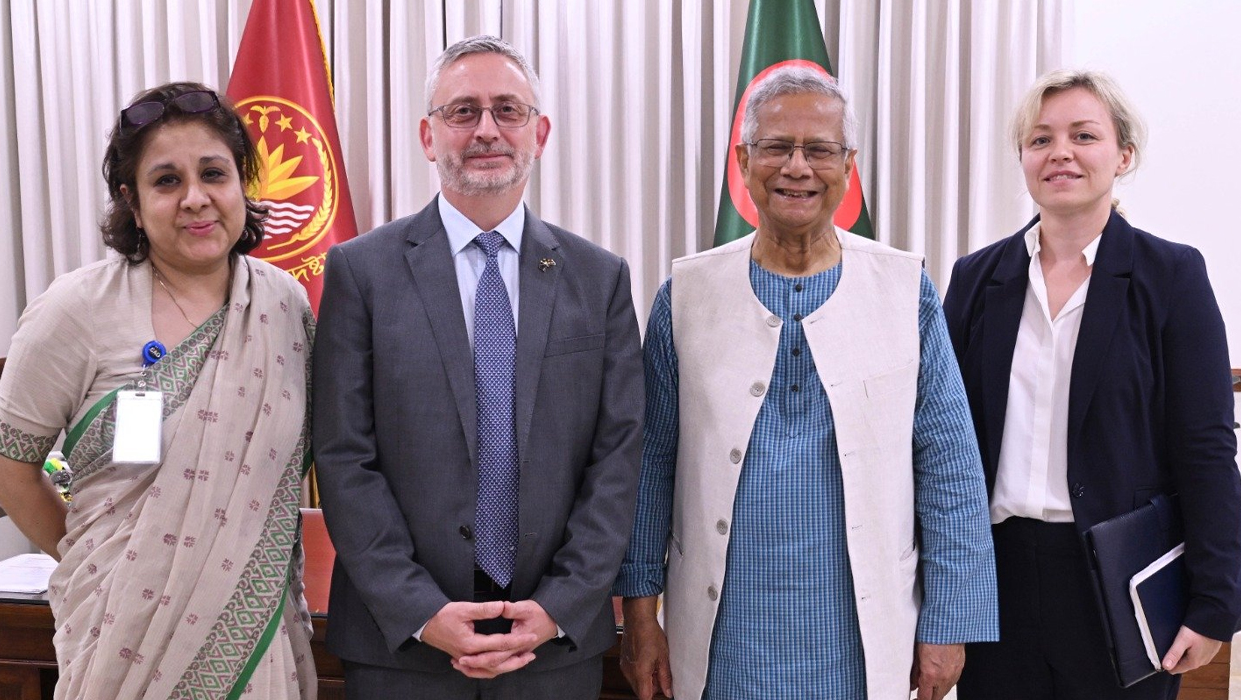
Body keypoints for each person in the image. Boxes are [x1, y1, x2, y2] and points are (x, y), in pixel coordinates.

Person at [613, 65, 998, 700]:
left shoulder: (906, 292)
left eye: (819, 149)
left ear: (848, 166)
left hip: (863, 637)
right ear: (744, 162)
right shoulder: (685, 295)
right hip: (724, 637)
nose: (797, 167)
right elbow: (650, 464)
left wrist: (950, 623)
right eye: (776, 147)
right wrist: (639, 612)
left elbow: (949, 468)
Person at [312, 35, 644, 699]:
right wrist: (419, 610)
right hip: (401, 649)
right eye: (463, 111)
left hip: (550, 651)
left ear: (539, 133)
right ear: (427, 135)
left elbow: (619, 455)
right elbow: (343, 455)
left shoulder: (598, 277)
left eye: (507, 110)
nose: (486, 129)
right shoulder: (361, 272)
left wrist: (559, 606)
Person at [0, 82, 317, 699]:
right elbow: (11, 470)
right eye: (167, 180)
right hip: (119, 641)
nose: (196, 198)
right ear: (133, 200)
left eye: (213, 174)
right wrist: (105, 564)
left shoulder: (284, 305)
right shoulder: (78, 308)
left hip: (254, 638)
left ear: (242, 183)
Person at [945, 69, 1241, 699]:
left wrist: (1216, 601)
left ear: (1123, 155)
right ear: (1023, 158)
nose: (1061, 153)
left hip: (1120, 577)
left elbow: (1207, 450)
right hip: (995, 581)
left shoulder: (1172, 275)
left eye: (1083, 135)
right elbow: (943, 447)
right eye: (1041, 139)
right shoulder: (975, 278)